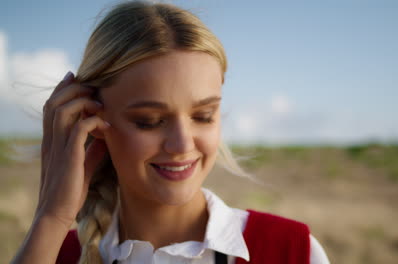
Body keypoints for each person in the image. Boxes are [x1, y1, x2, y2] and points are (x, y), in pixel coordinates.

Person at [11, 1, 330, 264]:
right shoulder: (54, 253)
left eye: (203, 116)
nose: (182, 144)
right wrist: (51, 217)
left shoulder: (292, 251)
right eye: (149, 120)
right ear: (92, 117)